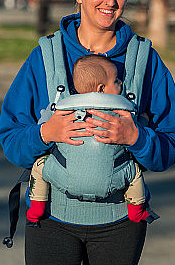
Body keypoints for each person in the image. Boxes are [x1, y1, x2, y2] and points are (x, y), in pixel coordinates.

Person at [0, 0, 175, 265]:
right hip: (50, 219)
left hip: (120, 225)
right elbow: (10, 137)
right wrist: (45, 133)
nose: (109, 1)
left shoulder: (144, 59)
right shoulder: (45, 56)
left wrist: (136, 137)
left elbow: (172, 143)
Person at [27, 54, 150, 224]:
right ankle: (136, 210)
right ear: (101, 88)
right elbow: (134, 126)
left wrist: (46, 127)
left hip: (63, 176)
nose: (121, 83)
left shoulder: (64, 107)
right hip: (113, 176)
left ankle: (36, 208)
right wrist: (144, 119)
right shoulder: (122, 109)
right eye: (116, 81)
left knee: (39, 166)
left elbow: (46, 124)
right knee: (135, 173)